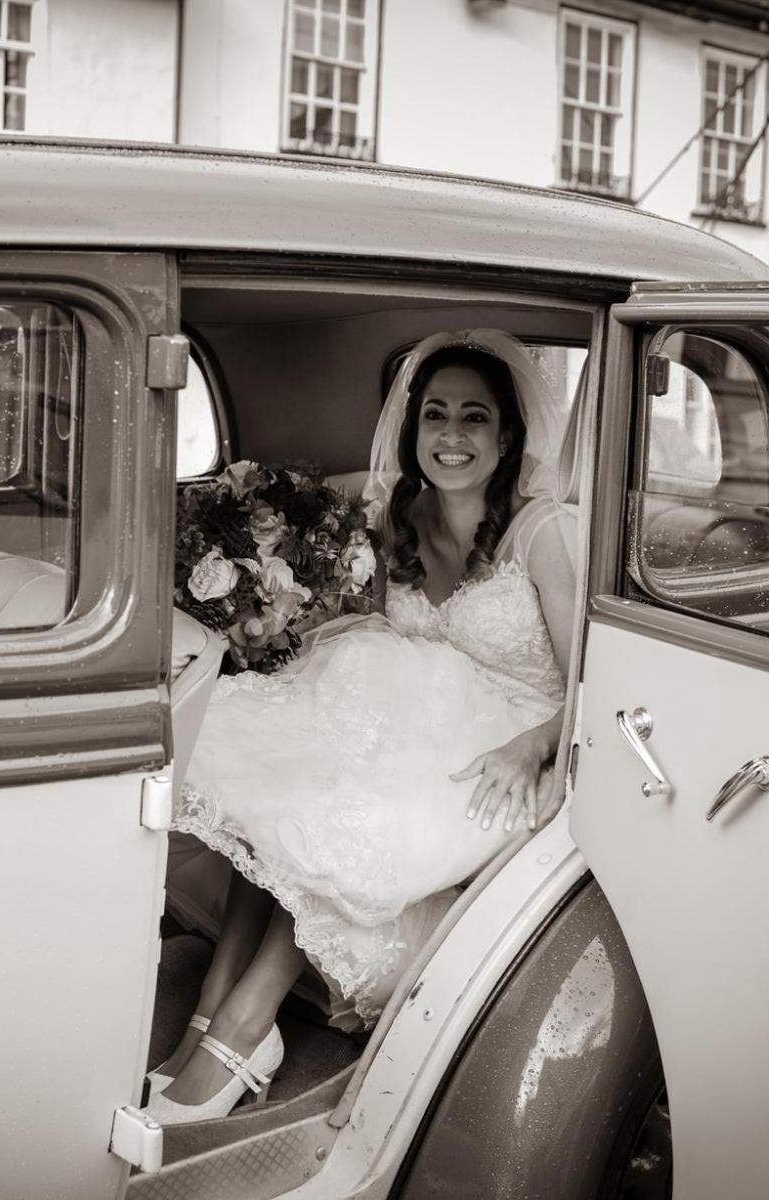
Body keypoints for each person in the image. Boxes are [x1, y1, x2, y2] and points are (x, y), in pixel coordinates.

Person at [146, 330, 584, 1124]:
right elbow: (340, 567)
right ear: (413, 430)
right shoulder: (400, 514)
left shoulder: (542, 531)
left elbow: (596, 678)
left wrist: (532, 748)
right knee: (293, 778)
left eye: (475, 417)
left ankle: (243, 1027)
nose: (452, 435)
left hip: (510, 745)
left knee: (347, 810)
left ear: (508, 436)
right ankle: (212, 1012)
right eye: (436, 414)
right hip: (420, 718)